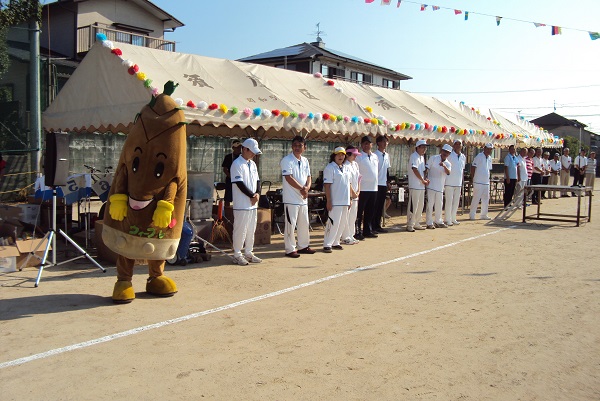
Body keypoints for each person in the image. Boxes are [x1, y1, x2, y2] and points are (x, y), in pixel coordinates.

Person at [280, 136, 315, 258]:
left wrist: (307, 188)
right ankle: (290, 249)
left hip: (303, 199)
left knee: (304, 223)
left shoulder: (305, 160)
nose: (297, 148)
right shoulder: (287, 160)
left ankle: (303, 246)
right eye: (295, 145)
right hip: (291, 199)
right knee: (290, 224)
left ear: (305, 147)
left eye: (300, 145)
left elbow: (309, 176)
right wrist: (302, 188)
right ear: (291, 146)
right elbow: (288, 177)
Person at [230, 138, 263, 266]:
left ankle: (249, 252)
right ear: (244, 149)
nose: (253, 154)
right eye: (251, 151)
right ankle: (237, 254)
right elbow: (239, 183)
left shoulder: (252, 164)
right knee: (240, 229)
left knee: (251, 229)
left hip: (253, 204)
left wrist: (257, 194)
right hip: (242, 204)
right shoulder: (237, 164)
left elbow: (258, 181)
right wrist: (251, 195)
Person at [322, 147, 350, 253]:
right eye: (338, 154)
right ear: (334, 156)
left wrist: (350, 199)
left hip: (345, 200)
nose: (341, 157)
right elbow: (327, 185)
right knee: (333, 222)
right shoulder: (330, 168)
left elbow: (348, 184)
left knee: (342, 223)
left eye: (342, 155)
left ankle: (336, 242)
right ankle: (327, 244)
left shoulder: (346, 168)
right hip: (335, 201)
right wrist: (329, 200)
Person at [355, 136, 379, 239]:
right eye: (364, 143)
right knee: (359, 211)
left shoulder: (375, 156)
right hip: (363, 188)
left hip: (373, 187)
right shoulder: (359, 157)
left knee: (370, 210)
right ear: (361, 145)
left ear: (371, 145)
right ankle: (357, 231)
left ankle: (367, 230)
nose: (366, 145)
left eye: (368, 143)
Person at [425, 144, 451, 229]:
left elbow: (448, 172)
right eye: (444, 152)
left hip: (440, 186)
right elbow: (427, 168)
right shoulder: (434, 158)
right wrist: (425, 178)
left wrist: (444, 165)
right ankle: (429, 222)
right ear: (441, 151)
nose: (445, 154)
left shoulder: (448, 163)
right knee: (430, 204)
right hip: (431, 185)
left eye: (447, 153)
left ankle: (438, 221)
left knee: (439, 205)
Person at [407, 139, 429, 232]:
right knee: (413, 205)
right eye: (422, 147)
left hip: (421, 186)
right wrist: (422, 180)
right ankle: (410, 224)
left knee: (420, 205)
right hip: (415, 185)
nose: (424, 149)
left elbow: (422, 171)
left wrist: (425, 179)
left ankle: (417, 222)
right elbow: (414, 169)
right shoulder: (414, 156)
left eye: (425, 147)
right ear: (418, 147)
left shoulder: (421, 157)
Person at [341, 146, 361, 245]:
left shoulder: (355, 165)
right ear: (348, 155)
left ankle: (351, 235)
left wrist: (358, 191)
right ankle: (345, 236)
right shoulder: (345, 166)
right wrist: (352, 193)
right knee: (347, 216)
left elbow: (359, 179)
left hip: (355, 195)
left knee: (353, 216)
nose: (355, 157)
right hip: (348, 195)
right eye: (354, 155)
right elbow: (347, 182)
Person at [444, 139, 466, 226]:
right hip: (449, 182)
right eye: (456, 144)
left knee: (456, 202)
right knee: (449, 201)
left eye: (459, 144)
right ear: (453, 146)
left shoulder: (463, 157)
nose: (457, 146)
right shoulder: (449, 155)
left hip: (458, 183)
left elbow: (462, 169)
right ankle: (447, 219)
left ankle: (453, 218)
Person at [469, 143, 493, 220]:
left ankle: (484, 214)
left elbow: (488, 169)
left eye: (490, 149)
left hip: (486, 182)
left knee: (486, 199)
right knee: (476, 198)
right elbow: (473, 167)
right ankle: (472, 214)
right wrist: (472, 178)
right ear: (484, 148)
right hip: (478, 181)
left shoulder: (489, 158)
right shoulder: (479, 156)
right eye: (488, 149)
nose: (489, 150)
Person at [372, 135, 391, 233]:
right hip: (375, 183)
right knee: (374, 206)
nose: (385, 144)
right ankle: (372, 226)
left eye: (386, 142)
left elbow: (387, 169)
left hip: (383, 183)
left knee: (380, 206)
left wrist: (388, 182)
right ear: (378, 143)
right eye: (383, 142)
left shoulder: (386, 155)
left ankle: (378, 225)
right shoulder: (375, 155)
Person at [221, 138, 242, 207]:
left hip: (240, 179)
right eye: (237, 147)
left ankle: (238, 209)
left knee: (239, 196)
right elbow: (224, 169)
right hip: (230, 179)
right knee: (228, 196)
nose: (238, 149)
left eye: (239, 147)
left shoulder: (242, 157)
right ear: (233, 148)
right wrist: (230, 176)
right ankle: (227, 211)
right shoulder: (228, 157)